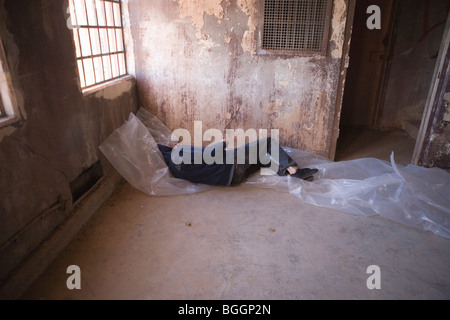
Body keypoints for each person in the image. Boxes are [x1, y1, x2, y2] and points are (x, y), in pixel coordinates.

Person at [157, 137, 318, 187]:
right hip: (232, 164)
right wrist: (223, 142)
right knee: (267, 142)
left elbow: (203, 166)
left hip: (231, 180)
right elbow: (210, 153)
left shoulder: (175, 169)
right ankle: (295, 171)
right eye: (165, 141)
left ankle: (285, 172)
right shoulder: (179, 151)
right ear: (165, 147)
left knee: (262, 158)